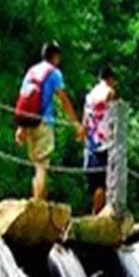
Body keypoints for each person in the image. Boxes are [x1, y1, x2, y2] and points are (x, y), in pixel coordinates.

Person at [14, 42, 85, 201]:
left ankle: (35, 201)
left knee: (36, 165)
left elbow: (24, 97)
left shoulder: (31, 71)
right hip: (44, 121)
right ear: (56, 56)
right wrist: (76, 124)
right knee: (42, 166)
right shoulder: (54, 73)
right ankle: (38, 205)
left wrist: (21, 127)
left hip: (28, 121)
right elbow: (64, 100)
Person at [82, 65, 117, 214]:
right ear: (110, 79)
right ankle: (98, 216)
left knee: (94, 182)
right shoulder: (109, 92)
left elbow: (85, 119)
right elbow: (114, 114)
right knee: (103, 183)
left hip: (90, 142)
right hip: (104, 142)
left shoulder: (90, 95)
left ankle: (95, 213)